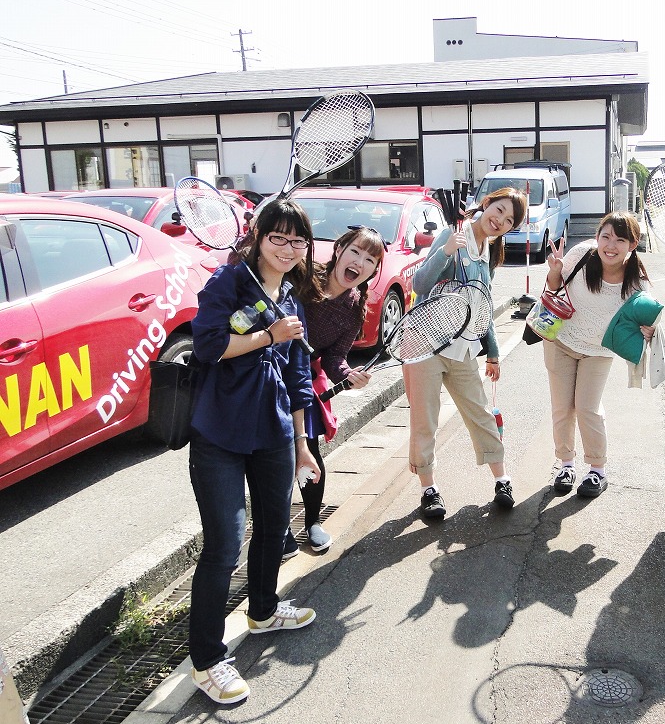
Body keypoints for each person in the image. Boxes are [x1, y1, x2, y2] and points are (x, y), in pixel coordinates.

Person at [187, 199, 321, 704]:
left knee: (273, 529)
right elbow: (208, 347)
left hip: (273, 429)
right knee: (224, 545)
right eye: (278, 239)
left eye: (298, 242)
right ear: (258, 237)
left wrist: (303, 445)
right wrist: (268, 335)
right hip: (219, 432)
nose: (288, 249)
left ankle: (263, 611)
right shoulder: (228, 284)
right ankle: (207, 660)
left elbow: (298, 377)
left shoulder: (292, 296)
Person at [405, 187, 526, 519]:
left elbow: (481, 304)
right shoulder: (453, 233)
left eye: (508, 219)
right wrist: (445, 251)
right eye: (498, 210)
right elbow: (419, 286)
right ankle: (429, 489)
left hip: (462, 348)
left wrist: (493, 353)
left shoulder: (489, 252)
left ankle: (502, 480)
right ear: (486, 204)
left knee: (480, 412)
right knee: (424, 418)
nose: (499, 220)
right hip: (425, 342)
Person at [544, 212, 655, 499]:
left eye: (620, 240)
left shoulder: (637, 282)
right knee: (562, 407)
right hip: (561, 341)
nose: (611, 245)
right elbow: (554, 288)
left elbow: (645, 322)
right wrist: (555, 269)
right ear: (597, 237)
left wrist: (647, 330)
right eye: (605, 236)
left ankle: (597, 470)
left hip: (599, 350)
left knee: (587, 408)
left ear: (632, 244)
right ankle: (565, 465)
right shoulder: (581, 255)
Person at [295, 226, 386, 552]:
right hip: (269, 369)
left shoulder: (354, 306)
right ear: (339, 249)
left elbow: (335, 358)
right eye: (356, 252)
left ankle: (312, 522)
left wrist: (349, 374)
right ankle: (277, 529)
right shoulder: (304, 276)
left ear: (374, 271)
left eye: (370, 260)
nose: (360, 263)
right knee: (273, 457)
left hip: (303, 380)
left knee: (310, 455)